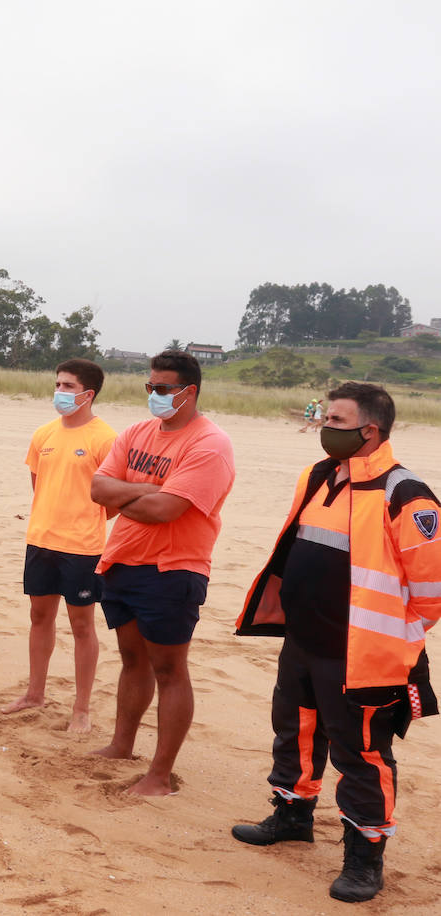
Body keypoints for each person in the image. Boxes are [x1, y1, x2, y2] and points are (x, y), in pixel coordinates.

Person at [232, 382, 440, 903]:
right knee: (296, 730)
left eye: (337, 420)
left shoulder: (405, 493)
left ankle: (365, 858)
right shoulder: (319, 475)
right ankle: (292, 815)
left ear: (370, 430)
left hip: (364, 656)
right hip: (303, 641)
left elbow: (433, 591)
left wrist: (391, 639)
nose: (325, 428)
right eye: (325, 417)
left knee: (362, 754)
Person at [89, 349, 235, 795]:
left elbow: (166, 510)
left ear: (189, 392)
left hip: (173, 569)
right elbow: (97, 488)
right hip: (121, 561)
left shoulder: (209, 444)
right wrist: (147, 490)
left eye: (163, 388)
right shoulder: (136, 432)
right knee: (132, 660)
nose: (153, 394)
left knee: (170, 669)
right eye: (149, 386)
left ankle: (160, 774)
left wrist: (131, 494)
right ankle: (121, 745)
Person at [2, 358, 116, 734]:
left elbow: (112, 501)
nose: (60, 392)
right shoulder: (44, 434)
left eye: (67, 386)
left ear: (88, 394)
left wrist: (83, 518)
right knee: (39, 618)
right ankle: (35, 693)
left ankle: (81, 708)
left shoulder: (105, 438)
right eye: (58, 384)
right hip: (41, 540)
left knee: (82, 625)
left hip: (82, 546)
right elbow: (40, 485)